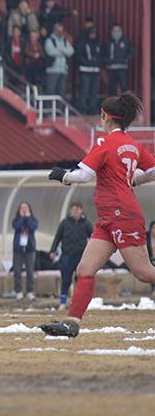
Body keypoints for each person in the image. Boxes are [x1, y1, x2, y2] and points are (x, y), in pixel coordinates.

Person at [40, 93, 155, 337]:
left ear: (106, 117)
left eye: (101, 116)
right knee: (85, 269)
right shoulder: (132, 144)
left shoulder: (104, 143)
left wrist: (62, 175)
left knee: (144, 272)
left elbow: (83, 175)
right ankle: (72, 323)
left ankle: (72, 321)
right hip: (109, 218)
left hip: (121, 215)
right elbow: (153, 170)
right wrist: (134, 179)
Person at [49, 202, 94, 311]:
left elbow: (93, 238)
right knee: (65, 279)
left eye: (77, 209)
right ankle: (63, 302)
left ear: (81, 210)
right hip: (66, 255)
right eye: (73, 209)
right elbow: (57, 237)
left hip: (81, 256)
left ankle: (77, 303)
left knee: (80, 280)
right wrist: (53, 250)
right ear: (70, 210)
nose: (75, 211)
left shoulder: (86, 224)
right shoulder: (64, 223)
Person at [11, 202, 38, 301]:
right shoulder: (16, 220)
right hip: (18, 249)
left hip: (29, 249)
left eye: (26, 207)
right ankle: (18, 291)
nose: (24, 209)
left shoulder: (33, 220)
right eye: (22, 207)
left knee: (30, 271)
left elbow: (32, 227)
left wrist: (27, 218)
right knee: (17, 271)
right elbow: (16, 227)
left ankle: (30, 291)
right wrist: (22, 218)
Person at [44, 23, 73, 98]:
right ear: (54, 31)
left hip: (63, 70)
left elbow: (71, 51)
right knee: (51, 91)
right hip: (52, 70)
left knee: (61, 92)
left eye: (62, 31)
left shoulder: (64, 40)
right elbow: (50, 52)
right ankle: (50, 108)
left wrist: (59, 49)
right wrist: (64, 51)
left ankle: (59, 109)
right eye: (58, 31)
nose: (60, 33)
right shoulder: (49, 40)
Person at [104, 24, 133, 96]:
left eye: (118, 30)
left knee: (124, 87)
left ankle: (126, 104)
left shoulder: (126, 41)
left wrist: (126, 59)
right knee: (111, 88)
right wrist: (107, 61)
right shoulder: (107, 42)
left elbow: (131, 52)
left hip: (122, 68)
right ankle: (112, 105)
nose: (116, 32)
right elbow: (102, 54)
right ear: (111, 31)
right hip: (111, 69)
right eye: (114, 31)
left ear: (121, 31)